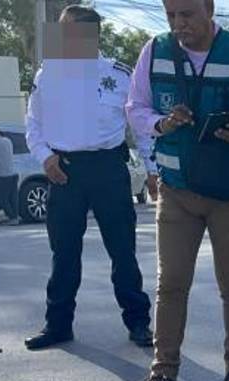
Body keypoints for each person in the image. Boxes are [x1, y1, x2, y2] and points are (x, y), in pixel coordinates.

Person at [123, 0, 229, 381]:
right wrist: (160, 123)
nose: (178, 24)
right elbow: (135, 107)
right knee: (171, 285)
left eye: (187, 14)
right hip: (176, 190)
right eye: (171, 14)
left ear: (209, 8)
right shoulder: (153, 52)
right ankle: (163, 380)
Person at [23, 5, 154, 351]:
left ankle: (138, 321)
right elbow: (33, 124)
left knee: (122, 250)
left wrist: (152, 169)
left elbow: (139, 128)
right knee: (64, 252)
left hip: (109, 169)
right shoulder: (48, 74)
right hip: (64, 170)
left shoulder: (120, 74)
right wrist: (45, 157)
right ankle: (58, 325)